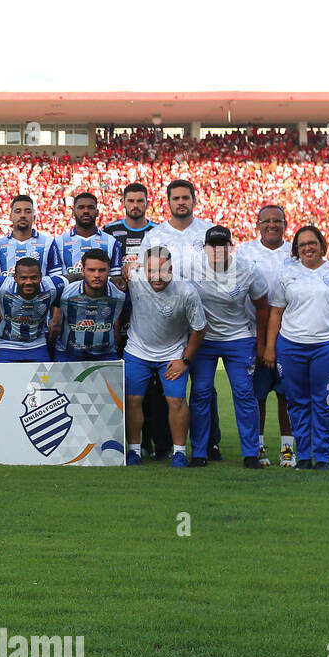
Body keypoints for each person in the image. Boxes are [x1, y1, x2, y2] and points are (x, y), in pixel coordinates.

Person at [264, 225, 329, 470]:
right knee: (297, 403)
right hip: (291, 346)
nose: (307, 248)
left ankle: (323, 458)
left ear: (322, 245)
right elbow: (276, 313)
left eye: (312, 243)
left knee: (327, 402)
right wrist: (270, 347)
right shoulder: (287, 274)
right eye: (302, 245)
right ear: (296, 250)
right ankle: (304, 457)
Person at [143, 179, 222, 459]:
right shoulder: (154, 235)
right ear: (168, 202)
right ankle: (167, 445)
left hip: (203, 318)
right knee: (166, 387)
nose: (181, 202)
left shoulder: (208, 230)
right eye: (175, 198)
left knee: (203, 386)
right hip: (167, 322)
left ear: (194, 200)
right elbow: (144, 275)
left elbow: (222, 268)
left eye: (185, 197)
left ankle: (209, 444)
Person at [186, 227, 269, 468]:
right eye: (213, 245)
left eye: (223, 244)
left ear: (230, 247)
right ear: (205, 248)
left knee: (244, 393)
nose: (218, 249)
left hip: (239, 337)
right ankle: (199, 453)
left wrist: (261, 343)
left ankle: (251, 453)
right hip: (204, 339)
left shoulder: (247, 270)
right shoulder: (191, 267)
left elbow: (262, 305)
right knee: (200, 393)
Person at [123, 246, 207, 467]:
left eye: (162, 271)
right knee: (132, 400)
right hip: (137, 351)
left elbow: (200, 329)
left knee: (176, 400)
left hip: (172, 354)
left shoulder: (186, 292)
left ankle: (179, 452)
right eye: (151, 270)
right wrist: (128, 266)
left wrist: (185, 360)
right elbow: (126, 270)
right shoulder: (135, 278)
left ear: (171, 268)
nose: (157, 277)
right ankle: (134, 451)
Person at [105, 182, 169, 460]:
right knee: (128, 387)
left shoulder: (157, 232)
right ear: (123, 203)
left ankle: (157, 442)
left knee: (156, 391)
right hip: (119, 314)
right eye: (130, 200)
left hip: (150, 314)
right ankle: (128, 442)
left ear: (147, 202)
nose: (135, 205)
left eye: (139, 200)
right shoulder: (110, 232)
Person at [236, 204, 295, 466]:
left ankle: (287, 450)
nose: (272, 225)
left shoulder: (294, 252)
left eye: (277, 221)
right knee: (256, 396)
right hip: (252, 333)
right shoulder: (246, 252)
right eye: (266, 221)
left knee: (287, 396)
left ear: (285, 223)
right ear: (257, 224)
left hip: (288, 335)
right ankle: (258, 448)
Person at [50, 249, 126, 362]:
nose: (96, 275)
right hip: (68, 354)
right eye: (91, 270)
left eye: (101, 270)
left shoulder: (119, 295)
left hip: (106, 355)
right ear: (83, 271)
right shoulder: (66, 293)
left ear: (109, 271)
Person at [0, 257, 62, 362]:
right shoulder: (1, 285)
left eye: (33, 278)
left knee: (43, 378)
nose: (28, 282)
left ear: (41, 277)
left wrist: (57, 317)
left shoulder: (53, 285)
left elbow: (76, 277)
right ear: (15, 278)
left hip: (37, 345)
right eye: (23, 278)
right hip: (5, 345)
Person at [57, 193, 122, 279]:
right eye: (81, 207)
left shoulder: (111, 242)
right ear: (73, 212)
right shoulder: (59, 242)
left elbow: (115, 278)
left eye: (90, 207)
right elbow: (56, 279)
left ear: (97, 212)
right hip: (70, 292)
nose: (86, 211)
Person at [0, 195, 62, 275]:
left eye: (28, 211)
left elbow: (56, 277)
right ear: (10, 217)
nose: (23, 215)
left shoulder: (48, 243)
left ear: (34, 217)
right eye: (18, 211)